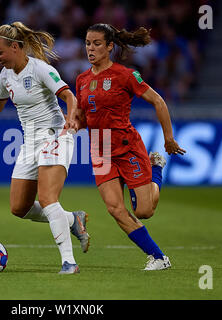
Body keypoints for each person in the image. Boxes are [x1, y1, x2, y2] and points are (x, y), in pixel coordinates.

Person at [0, 21, 90, 274]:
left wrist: (71, 119)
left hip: (55, 135)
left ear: (16, 47)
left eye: (0, 52)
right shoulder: (6, 75)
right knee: (19, 208)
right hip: (29, 142)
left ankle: (69, 263)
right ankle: (73, 219)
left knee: (48, 199)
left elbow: (68, 95)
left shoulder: (40, 69)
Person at [69, 23, 186, 270]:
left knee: (144, 211)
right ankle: (158, 257)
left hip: (127, 148)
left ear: (110, 46)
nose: (91, 48)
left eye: (97, 43)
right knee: (115, 209)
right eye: (88, 43)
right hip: (100, 152)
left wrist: (168, 139)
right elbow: (80, 118)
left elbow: (158, 100)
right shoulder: (81, 80)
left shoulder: (126, 75)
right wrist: (67, 127)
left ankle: (156, 169)